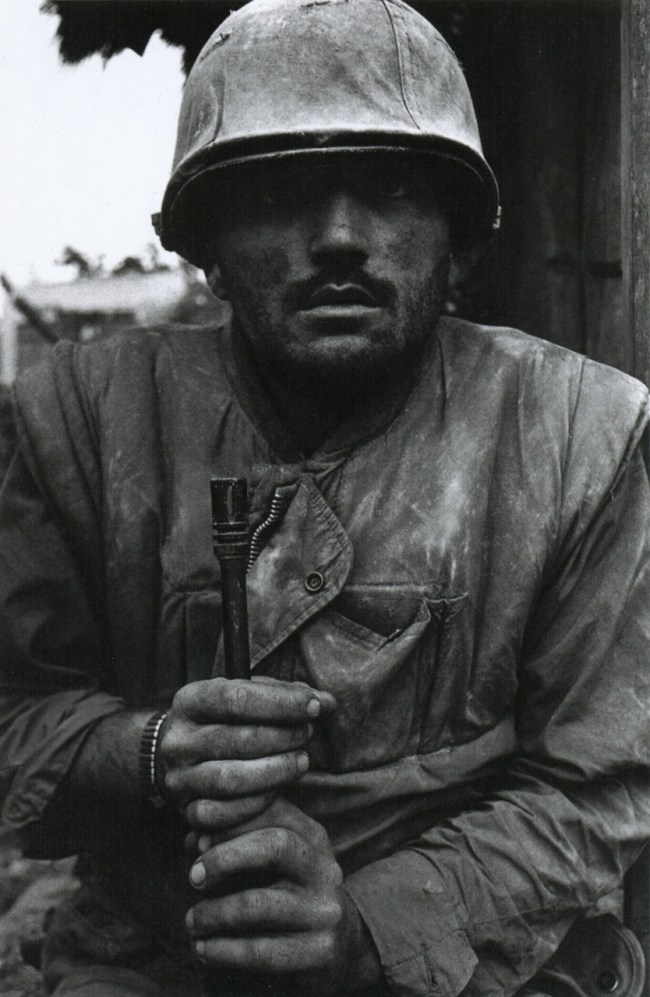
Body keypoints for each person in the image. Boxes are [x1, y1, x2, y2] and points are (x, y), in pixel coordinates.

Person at [1, 1, 649, 995]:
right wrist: (147, 750)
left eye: (388, 188)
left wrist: (374, 931)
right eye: (281, 192)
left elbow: (593, 789)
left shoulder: (582, 433)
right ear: (205, 243)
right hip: (157, 953)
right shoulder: (73, 422)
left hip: (482, 955)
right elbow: (15, 723)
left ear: (460, 241)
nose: (339, 236)